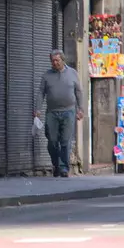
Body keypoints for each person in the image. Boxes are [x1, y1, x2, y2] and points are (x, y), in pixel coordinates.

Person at [35, 49, 82, 178]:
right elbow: (40, 92)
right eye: (52, 61)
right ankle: (55, 164)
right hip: (52, 112)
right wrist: (37, 109)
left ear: (62, 60)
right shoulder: (47, 75)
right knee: (52, 141)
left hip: (69, 111)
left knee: (65, 141)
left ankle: (63, 168)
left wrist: (81, 109)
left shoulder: (72, 73)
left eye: (57, 60)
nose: (54, 63)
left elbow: (78, 92)